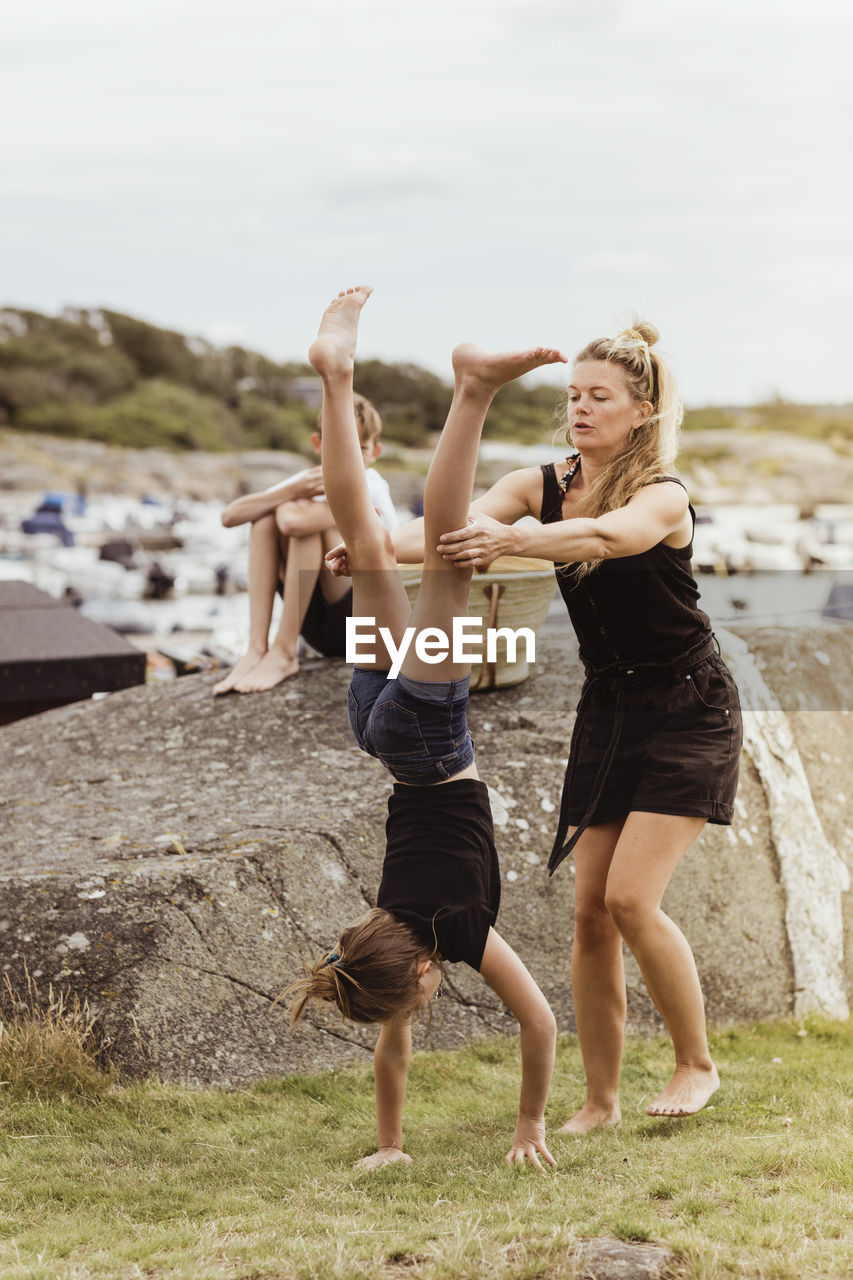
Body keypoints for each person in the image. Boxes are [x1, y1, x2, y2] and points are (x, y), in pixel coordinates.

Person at [429, 320, 742, 1130]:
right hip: (609, 707)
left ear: (640, 410)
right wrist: (363, 552)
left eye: (598, 396)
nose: (579, 408)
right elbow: (450, 531)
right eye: (571, 395)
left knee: (632, 899)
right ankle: (600, 1101)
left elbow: (614, 537)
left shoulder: (661, 492)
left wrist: (519, 539)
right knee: (589, 912)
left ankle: (694, 1063)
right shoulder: (536, 483)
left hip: (687, 705)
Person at [287, 285, 563, 1169]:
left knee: (446, 551)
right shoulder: (383, 920)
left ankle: (473, 390)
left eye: (416, 998)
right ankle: (335, 379)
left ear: (414, 969)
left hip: (430, 744)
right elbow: (391, 1037)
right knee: (368, 546)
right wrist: (389, 1147)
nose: (424, 1004)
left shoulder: (454, 928)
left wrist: (528, 1127)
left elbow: (540, 1022)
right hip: (377, 735)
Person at [212, 395, 395, 694]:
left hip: (364, 622)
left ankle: (284, 651)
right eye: (338, 446)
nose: (347, 456)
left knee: (304, 527)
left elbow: (293, 524)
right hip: (319, 621)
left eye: (358, 449)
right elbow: (230, 516)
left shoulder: (369, 483)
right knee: (263, 522)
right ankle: (256, 648)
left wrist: (290, 501)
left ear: (374, 452)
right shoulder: (307, 480)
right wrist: (292, 491)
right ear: (318, 444)